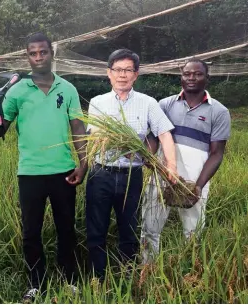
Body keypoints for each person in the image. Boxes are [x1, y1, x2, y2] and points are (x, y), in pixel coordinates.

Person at [0, 32, 87, 302]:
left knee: (66, 228)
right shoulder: (17, 90)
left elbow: (77, 128)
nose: (38, 57)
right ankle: (36, 283)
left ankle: (70, 279)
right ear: (27, 56)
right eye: (32, 53)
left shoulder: (67, 89)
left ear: (52, 54)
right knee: (31, 232)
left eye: (43, 52)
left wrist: (84, 164)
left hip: (64, 171)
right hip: (30, 173)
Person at [85, 49, 178, 282]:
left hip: (131, 176)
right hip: (101, 174)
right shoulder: (97, 103)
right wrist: (110, 141)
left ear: (136, 75)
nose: (122, 75)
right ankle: (98, 277)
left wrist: (171, 166)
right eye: (117, 70)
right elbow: (94, 138)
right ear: (109, 73)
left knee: (129, 228)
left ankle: (128, 276)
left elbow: (165, 134)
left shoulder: (148, 103)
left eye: (128, 70)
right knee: (97, 229)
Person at [141, 59, 231, 263]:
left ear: (207, 78)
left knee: (192, 230)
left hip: (194, 180)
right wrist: (148, 156)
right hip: (163, 174)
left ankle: (187, 272)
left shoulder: (219, 111)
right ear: (181, 77)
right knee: (150, 226)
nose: (191, 78)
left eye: (197, 74)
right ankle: (147, 267)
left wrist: (197, 186)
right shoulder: (165, 104)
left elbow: (217, 153)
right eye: (187, 74)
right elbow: (154, 138)